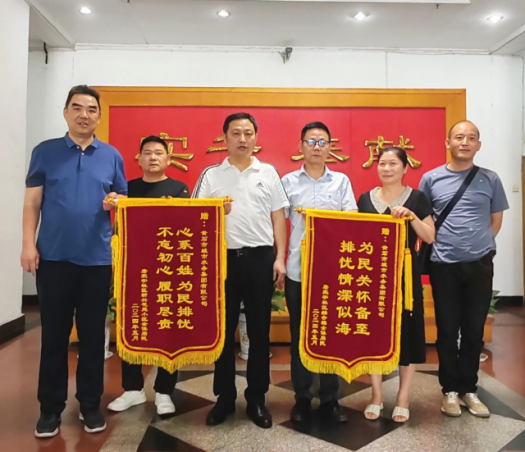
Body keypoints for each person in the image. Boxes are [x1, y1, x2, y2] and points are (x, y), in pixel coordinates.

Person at [22, 85, 127, 437]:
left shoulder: (111, 155)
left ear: (99, 116)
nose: (85, 114)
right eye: (77, 107)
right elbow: (32, 203)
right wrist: (28, 245)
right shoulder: (45, 152)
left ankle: (90, 405)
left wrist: (115, 202)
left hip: (97, 261)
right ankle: (50, 409)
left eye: (92, 109)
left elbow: (122, 200)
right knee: (54, 337)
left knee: (94, 338)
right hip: (53, 258)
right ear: (66, 112)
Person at [193, 112, 289, 429]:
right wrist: (215, 211)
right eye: (236, 133)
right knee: (222, 332)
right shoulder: (211, 175)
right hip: (222, 261)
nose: (243, 139)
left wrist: (280, 257)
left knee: (259, 332)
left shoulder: (268, 173)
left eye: (248, 133)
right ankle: (224, 398)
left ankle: (257, 399)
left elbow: (279, 217)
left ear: (256, 138)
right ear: (225, 138)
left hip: (261, 258)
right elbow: (195, 216)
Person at [419, 120, 508, 418]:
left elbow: (496, 219)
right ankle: (449, 391)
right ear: (448, 143)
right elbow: (426, 220)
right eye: (459, 137)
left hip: (479, 264)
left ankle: (469, 388)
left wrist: (479, 246)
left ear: (478, 145)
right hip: (443, 264)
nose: (465, 142)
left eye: (471, 138)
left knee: (473, 329)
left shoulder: (490, 178)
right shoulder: (431, 179)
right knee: (447, 330)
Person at [108, 135, 190, 416]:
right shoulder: (127, 189)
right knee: (131, 325)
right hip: (133, 268)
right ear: (139, 159)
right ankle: (133, 389)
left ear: (168, 159)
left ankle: (165, 391)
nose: (153, 157)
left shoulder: (179, 189)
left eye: (158, 152)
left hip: (168, 268)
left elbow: (186, 227)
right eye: (147, 152)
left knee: (168, 328)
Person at [281, 121, 357, 423]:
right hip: (298, 270)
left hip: (332, 273)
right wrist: (278, 260)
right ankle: (302, 397)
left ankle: (330, 398)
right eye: (310, 141)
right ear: (301, 146)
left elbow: (352, 221)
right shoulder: (288, 182)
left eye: (322, 141)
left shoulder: (341, 182)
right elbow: (278, 224)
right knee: (299, 335)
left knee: (330, 335)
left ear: (330, 147)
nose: (316, 147)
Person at [358, 147, 435, 423]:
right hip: (372, 276)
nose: (387, 168)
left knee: (408, 332)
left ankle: (403, 396)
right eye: (382, 163)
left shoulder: (417, 198)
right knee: (373, 333)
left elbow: (429, 236)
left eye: (393, 163)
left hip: (405, 276)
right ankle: (376, 395)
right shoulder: (365, 199)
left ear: (405, 168)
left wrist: (412, 216)